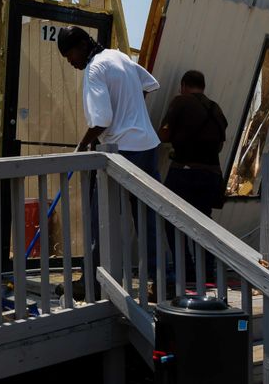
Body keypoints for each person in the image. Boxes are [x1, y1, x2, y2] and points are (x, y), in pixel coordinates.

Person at [57, 26, 160, 288]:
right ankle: (161, 279)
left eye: (71, 56)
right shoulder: (119, 56)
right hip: (147, 145)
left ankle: (91, 281)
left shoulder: (94, 69)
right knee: (149, 217)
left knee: (100, 217)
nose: (71, 63)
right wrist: (130, 110)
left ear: (82, 45)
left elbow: (102, 120)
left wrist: (82, 145)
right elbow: (149, 84)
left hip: (121, 151)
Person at [159, 69, 228, 280]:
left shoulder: (181, 101)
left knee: (172, 219)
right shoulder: (216, 108)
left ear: (184, 85)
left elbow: (164, 133)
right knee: (203, 222)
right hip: (212, 175)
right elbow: (219, 145)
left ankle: (185, 268)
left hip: (185, 171)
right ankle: (207, 270)